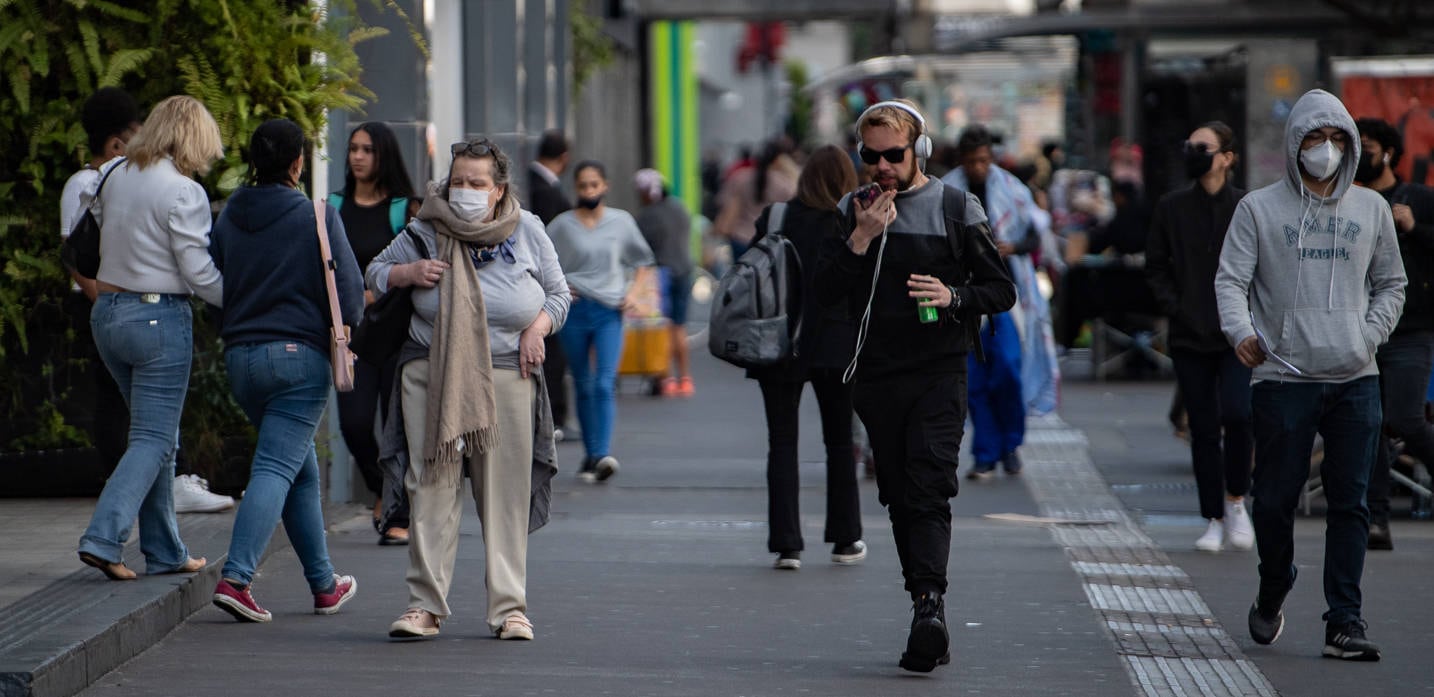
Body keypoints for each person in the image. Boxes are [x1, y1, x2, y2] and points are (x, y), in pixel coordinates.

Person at [814, 99, 1015, 672]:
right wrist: (860, 238)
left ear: (918, 150)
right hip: (875, 377)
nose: (882, 167)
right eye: (871, 156)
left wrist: (955, 297)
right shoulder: (851, 210)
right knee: (900, 495)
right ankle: (923, 602)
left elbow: (1001, 290)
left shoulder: (955, 207)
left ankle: (929, 607)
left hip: (939, 372)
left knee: (929, 485)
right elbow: (825, 294)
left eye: (894, 155)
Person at [1214, 89, 1405, 662]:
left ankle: (1344, 621)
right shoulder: (1258, 209)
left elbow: (1392, 283)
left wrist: (1365, 338)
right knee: (1273, 502)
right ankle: (1276, 582)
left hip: (1355, 377)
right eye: (1316, 139)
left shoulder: (1370, 210)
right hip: (1281, 376)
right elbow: (1230, 280)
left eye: (1337, 140)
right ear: (1295, 143)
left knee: (1351, 505)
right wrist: (1242, 333)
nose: (1326, 150)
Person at [367, 138, 568, 640]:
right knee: (431, 486)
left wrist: (537, 328)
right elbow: (373, 272)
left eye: (477, 183)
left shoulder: (527, 230)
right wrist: (409, 273)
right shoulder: (424, 229)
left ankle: (509, 608)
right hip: (431, 374)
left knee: (504, 495)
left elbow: (560, 295)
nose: (465, 192)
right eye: (458, 182)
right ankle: (424, 606)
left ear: (498, 190)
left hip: (507, 374)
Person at [207, 119, 363, 622]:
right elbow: (351, 294)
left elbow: (215, 280)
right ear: (298, 163)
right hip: (299, 360)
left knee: (297, 468)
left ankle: (324, 584)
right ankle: (237, 577)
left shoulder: (230, 215)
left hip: (241, 359)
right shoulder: (316, 215)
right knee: (276, 466)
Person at [60, 88, 234, 515]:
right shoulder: (183, 190)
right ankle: (104, 534)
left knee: (152, 436)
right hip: (157, 319)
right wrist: (244, 299)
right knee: (155, 440)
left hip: (107, 314)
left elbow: (88, 246)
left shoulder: (114, 173)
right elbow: (198, 273)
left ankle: (164, 549)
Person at [747, 145, 863, 570]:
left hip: (779, 343)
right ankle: (846, 538)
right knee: (840, 443)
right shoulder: (850, 220)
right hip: (837, 345)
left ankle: (787, 545)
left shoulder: (777, 218)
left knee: (782, 443)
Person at [1146, 121, 1254, 553]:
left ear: (1227, 157)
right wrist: (1178, 306)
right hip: (1190, 335)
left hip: (1238, 336)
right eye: (1189, 146)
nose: (1193, 153)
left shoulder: (1247, 207)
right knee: (1203, 428)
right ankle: (1211, 516)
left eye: (1203, 147)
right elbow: (1154, 267)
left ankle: (1237, 501)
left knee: (1240, 414)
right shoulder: (1171, 208)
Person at [328, 121, 420, 546]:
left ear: (383, 155)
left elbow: (420, 265)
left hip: (397, 334)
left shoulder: (404, 208)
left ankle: (398, 515)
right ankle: (383, 489)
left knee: (398, 428)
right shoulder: (332, 206)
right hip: (353, 336)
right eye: (353, 149)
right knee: (355, 423)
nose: (357, 156)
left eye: (367, 149)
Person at [1352, 117, 1434, 551]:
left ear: (1388, 151)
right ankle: (1376, 520)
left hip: (1410, 331)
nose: (1360, 154)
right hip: (1363, 329)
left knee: (1404, 418)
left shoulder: (1417, 198)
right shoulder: (1350, 202)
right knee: (1371, 425)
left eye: (1366, 146)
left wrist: (1413, 227)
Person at [546, 160, 655, 482]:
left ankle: (603, 453)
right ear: (575, 188)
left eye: (594, 184)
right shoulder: (562, 225)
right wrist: (558, 288)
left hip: (609, 308)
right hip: (576, 308)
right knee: (582, 381)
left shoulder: (621, 222)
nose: (589, 191)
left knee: (605, 382)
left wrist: (635, 293)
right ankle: (592, 455)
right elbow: (542, 261)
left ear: (605, 185)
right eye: (583, 185)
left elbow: (644, 260)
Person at [529, 130, 577, 443]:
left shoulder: (538, 184)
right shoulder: (543, 190)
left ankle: (553, 416)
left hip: (546, 281)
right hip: (546, 281)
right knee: (552, 351)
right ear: (564, 158)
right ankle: (553, 417)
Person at [633, 168, 695, 397]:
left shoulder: (648, 216)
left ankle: (666, 378)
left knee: (665, 327)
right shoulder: (679, 207)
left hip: (662, 274)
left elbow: (640, 250)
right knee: (680, 326)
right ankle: (686, 378)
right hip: (685, 269)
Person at [713, 141, 798, 259]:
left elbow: (727, 208)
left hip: (740, 239)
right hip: (769, 242)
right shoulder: (785, 184)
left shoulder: (741, 178)